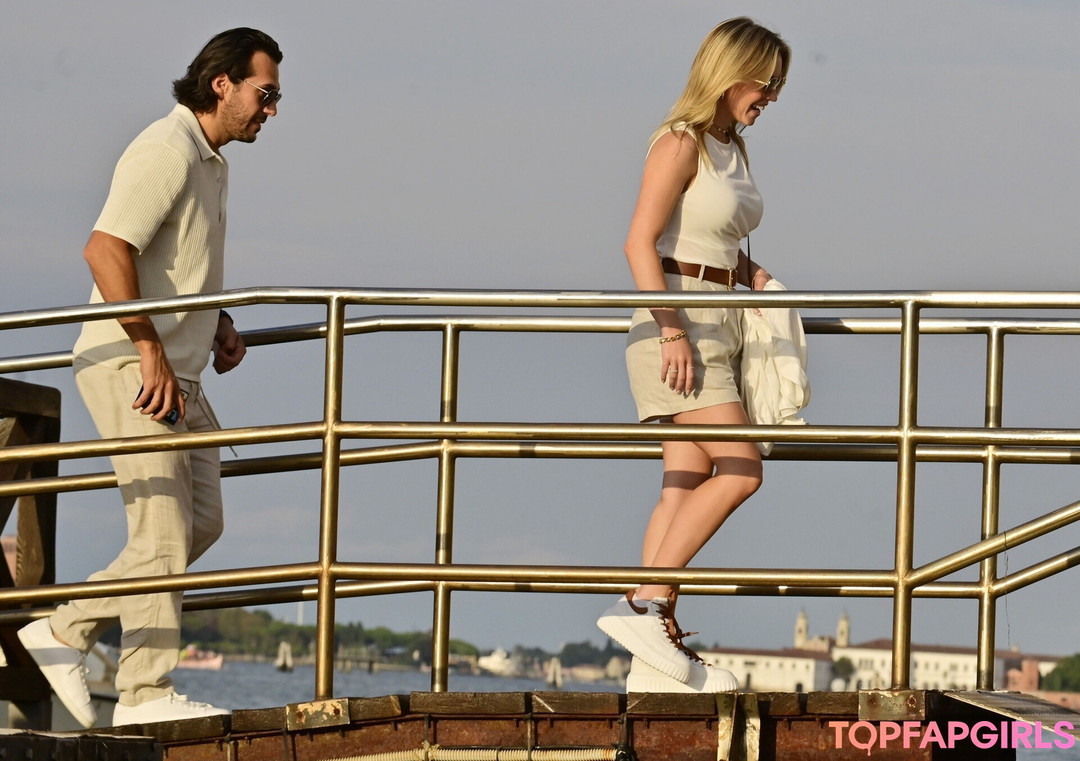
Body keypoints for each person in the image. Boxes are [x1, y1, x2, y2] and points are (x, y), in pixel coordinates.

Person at [18, 27, 283, 727]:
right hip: (131, 367)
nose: (272, 110)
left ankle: (63, 631)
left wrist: (217, 319)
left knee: (200, 524)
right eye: (266, 94)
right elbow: (104, 249)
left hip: (179, 374)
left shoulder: (212, 161)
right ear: (223, 83)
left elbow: (172, 261)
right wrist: (149, 348)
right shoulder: (167, 148)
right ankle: (143, 694)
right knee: (162, 534)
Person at [597, 18, 790, 692]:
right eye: (766, 83)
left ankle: (654, 658)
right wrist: (671, 329)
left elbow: (714, 238)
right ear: (732, 74)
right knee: (742, 468)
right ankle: (644, 603)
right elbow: (639, 242)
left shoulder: (732, 148)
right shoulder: (680, 141)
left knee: (682, 485)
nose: (772, 97)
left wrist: (753, 275)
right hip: (678, 326)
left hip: (721, 320)